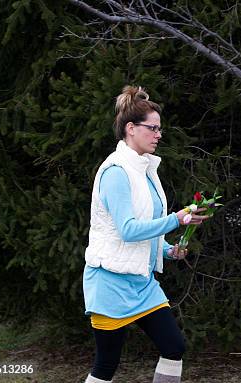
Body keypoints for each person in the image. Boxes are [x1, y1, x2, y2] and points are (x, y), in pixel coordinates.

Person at [82, 85, 208, 383]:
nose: (158, 135)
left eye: (159, 129)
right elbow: (127, 230)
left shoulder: (145, 170)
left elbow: (146, 229)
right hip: (109, 282)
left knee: (174, 346)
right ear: (130, 128)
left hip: (142, 283)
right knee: (106, 365)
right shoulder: (116, 172)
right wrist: (176, 219)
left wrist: (166, 250)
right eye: (152, 128)